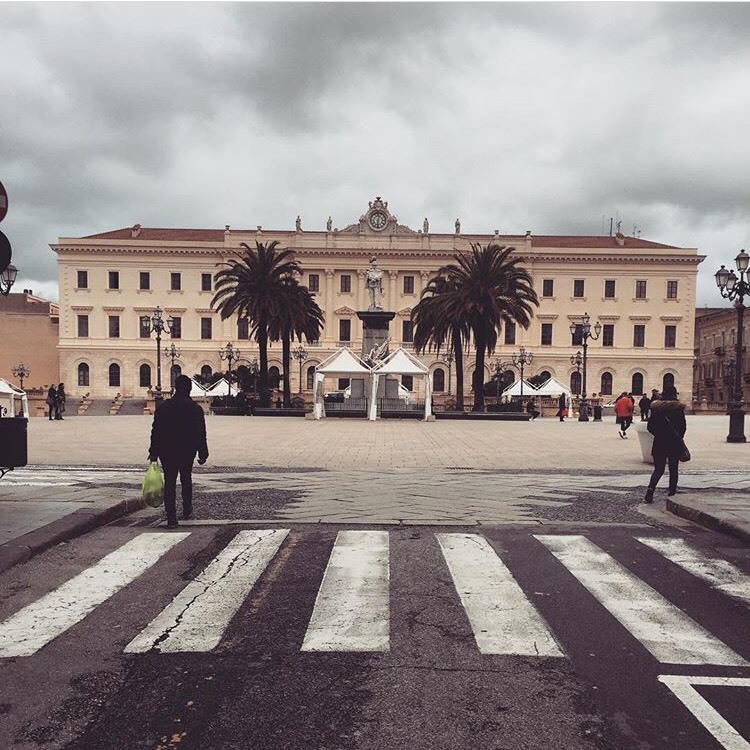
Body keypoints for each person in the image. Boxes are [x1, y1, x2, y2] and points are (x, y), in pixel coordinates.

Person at [148, 374, 209, 528]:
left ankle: (171, 517)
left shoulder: (164, 407)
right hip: (187, 449)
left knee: (169, 482)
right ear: (189, 389)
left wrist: (153, 451)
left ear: (175, 388)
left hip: (167, 450)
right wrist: (203, 452)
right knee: (186, 479)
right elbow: (200, 431)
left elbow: (156, 430)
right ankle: (187, 509)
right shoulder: (195, 408)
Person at [644, 385, 687, 502]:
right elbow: (683, 427)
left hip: (659, 442)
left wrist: (659, 434)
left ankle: (651, 489)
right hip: (674, 443)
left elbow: (650, 426)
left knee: (658, 469)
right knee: (673, 469)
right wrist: (678, 437)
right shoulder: (678, 409)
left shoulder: (657, 408)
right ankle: (672, 493)